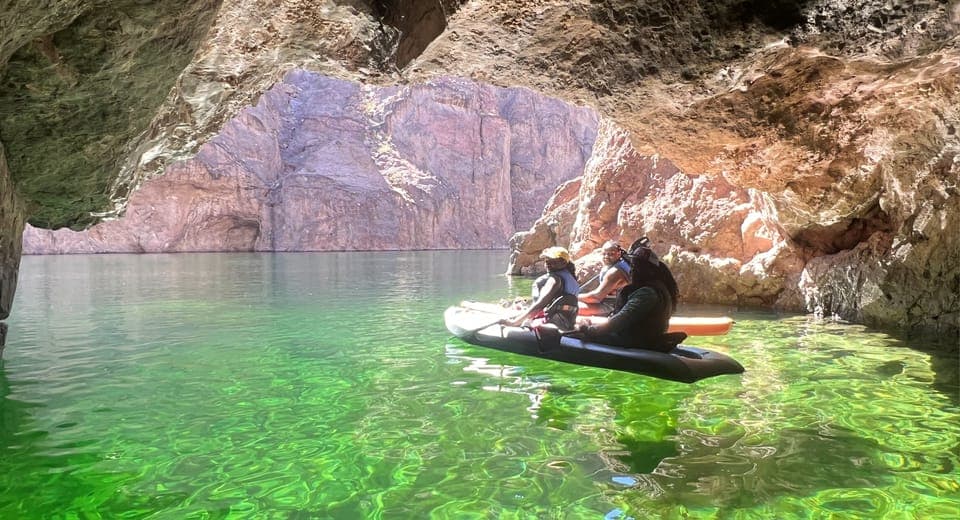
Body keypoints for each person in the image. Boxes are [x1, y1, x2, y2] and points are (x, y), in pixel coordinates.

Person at [578, 240, 680, 351]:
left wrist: (590, 330)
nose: (631, 270)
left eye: (634, 267)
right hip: (642, 339)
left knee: (577, 335)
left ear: (644, 269)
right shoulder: (658, 287)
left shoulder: (647, 293)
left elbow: (621, 320)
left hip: (634, 342)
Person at [502, 246, 580, 330]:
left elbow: (540, 304)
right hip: (568, 323)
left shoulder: (554, 280)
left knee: (522, 320)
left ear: (563, 263)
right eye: (546, 260)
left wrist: (514, 322)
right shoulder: (571, 279)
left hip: (550, 324)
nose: (548, 263)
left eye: (553, 260)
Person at [577, 240, 631, 316]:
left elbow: (596, 297)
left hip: (615, 307)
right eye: (604, 254)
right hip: (609, 302)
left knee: (571, 307)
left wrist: (574, 297)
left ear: (619, 254)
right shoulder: (618, 264)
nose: (606, 256)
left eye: (610, 254)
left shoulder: (615, 272)